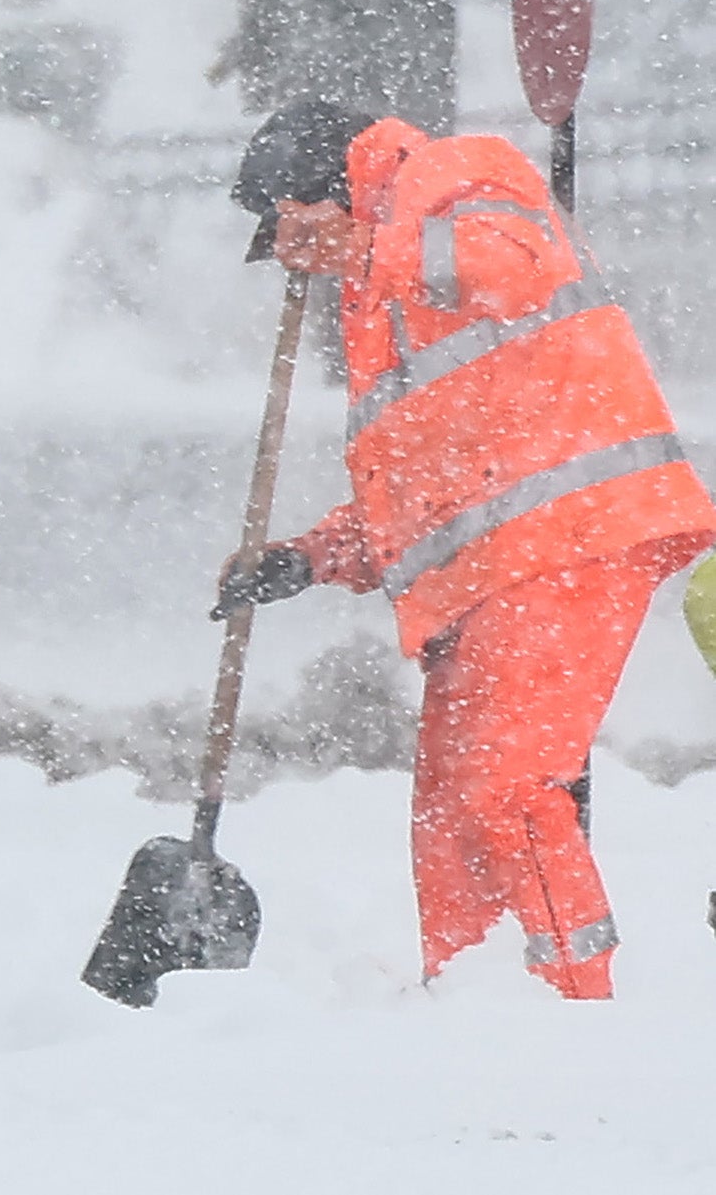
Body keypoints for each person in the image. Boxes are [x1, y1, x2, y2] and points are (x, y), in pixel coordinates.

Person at [214, 98, 714, 1000]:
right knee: (450, 811)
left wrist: (362, 249)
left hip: (567, 537)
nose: (301, 258)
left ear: (325, 183)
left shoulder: (455, 171)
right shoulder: (378, 303)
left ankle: (570, 1004)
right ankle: (475, 1001)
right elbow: (426, 486)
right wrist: (309, 555)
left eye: (296, 227)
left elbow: (506, 267)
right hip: (490, 569)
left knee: (504, 788)